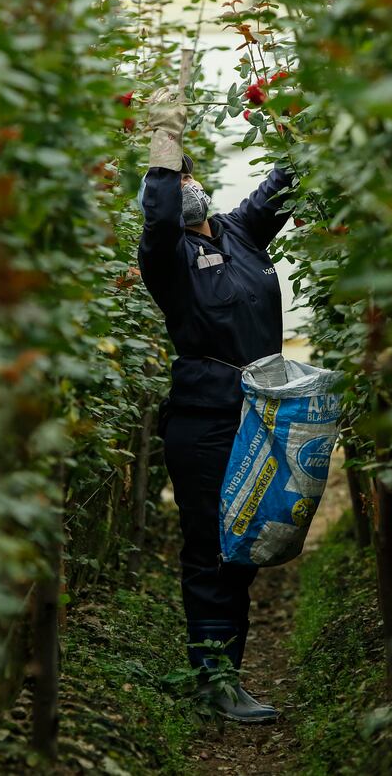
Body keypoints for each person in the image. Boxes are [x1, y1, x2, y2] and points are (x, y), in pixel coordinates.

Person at [136, 86, 295, 724]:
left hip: (259, 417)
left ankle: (228, 674)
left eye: (190, 173)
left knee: (246, 548)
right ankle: (214, 681)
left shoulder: (238, 232)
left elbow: (284, 184)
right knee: (212, 551)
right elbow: (156, 215)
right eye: (179, 178)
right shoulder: (166, 257)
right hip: (203, 424)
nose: (187, 185)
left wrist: (302, 113)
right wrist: (164, 142)